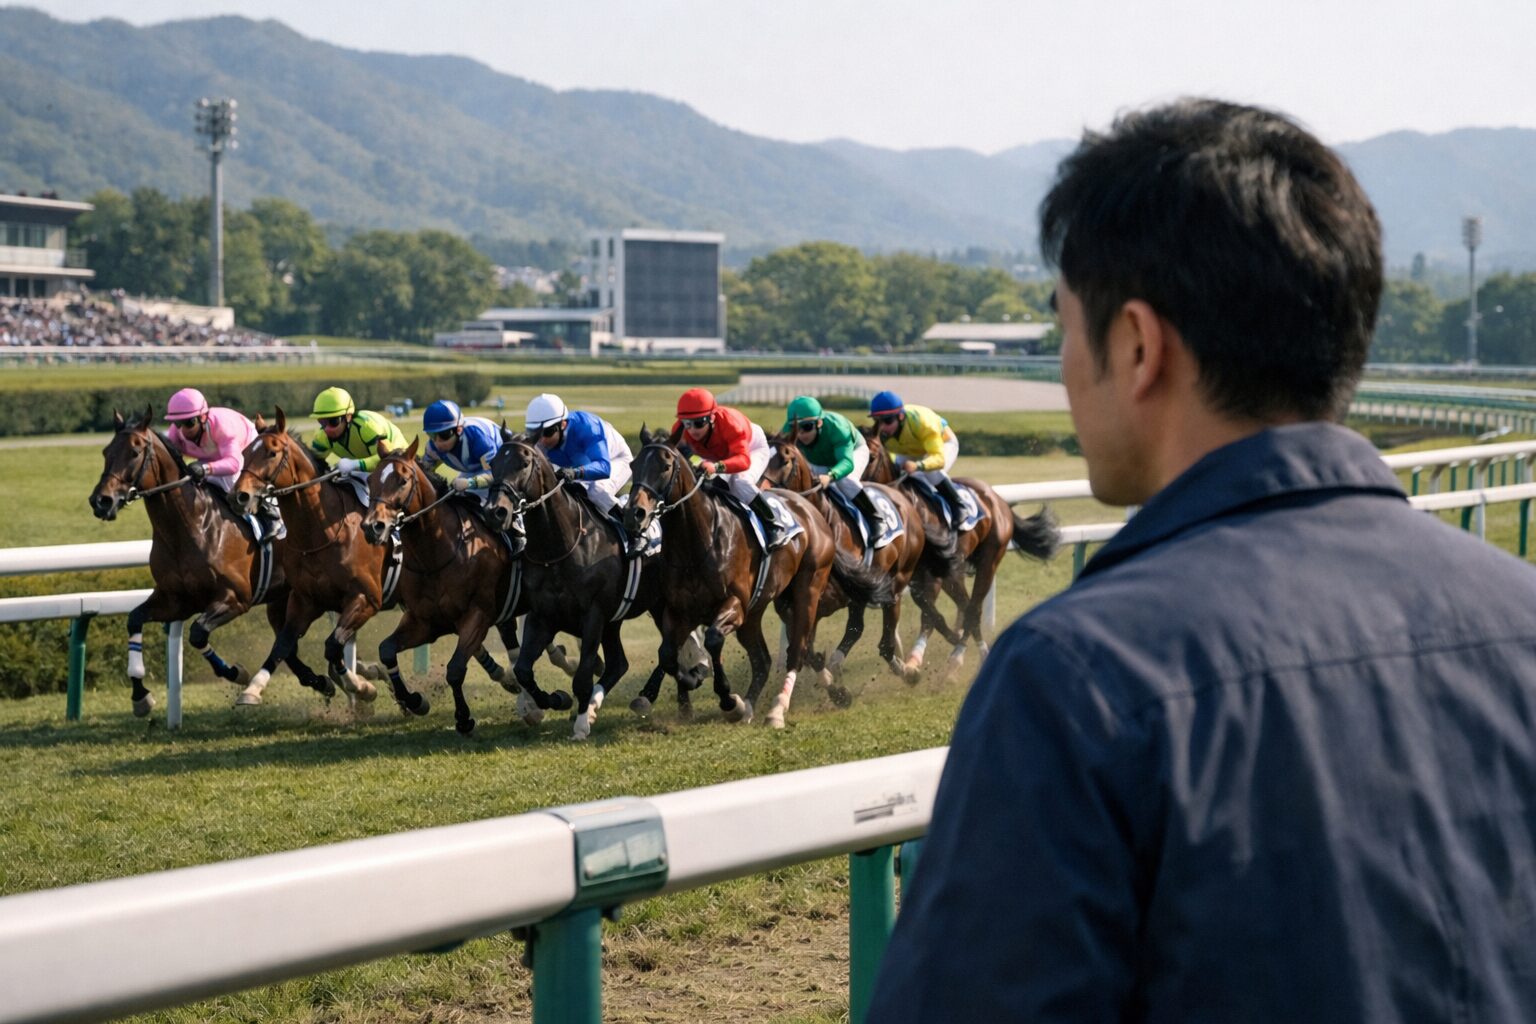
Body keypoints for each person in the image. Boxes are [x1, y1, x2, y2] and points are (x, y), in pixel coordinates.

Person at [869, 99, 1536, 1022]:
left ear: (1138, 345)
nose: (1067, 366)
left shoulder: (1075, 678)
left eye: (1067, 327)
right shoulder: (1524, 613)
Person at [671, 387, 786, 548]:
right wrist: (699, 462)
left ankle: (773, 524)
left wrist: (716, 467)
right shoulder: (680, 429)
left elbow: (743, 461)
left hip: (751, 449)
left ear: (711, 417)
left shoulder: (730, 423)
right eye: (687, 424)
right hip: (717, 455)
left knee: (740, 482)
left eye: (698, 423)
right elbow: (682, 452)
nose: (692, 430)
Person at [163, 387, 284, 540]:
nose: (183, 431)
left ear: (202, 417)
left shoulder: (223, 427)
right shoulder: (176, 433)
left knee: (232, 482)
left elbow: (233, 463)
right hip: (213, 456)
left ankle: (271, 515)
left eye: (189, 422)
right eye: (178, 423)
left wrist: (205, 468)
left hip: (245, 450)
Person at [780, 395, 885, 542]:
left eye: (807, 427)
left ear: (819, 423)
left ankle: (876, 518)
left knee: (845, 479)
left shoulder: (838, 427)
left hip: (853, 453)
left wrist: (830, 476)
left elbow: (847, 463)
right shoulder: (787, 431)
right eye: (796, 428)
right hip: (818, 460)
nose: (801, 434)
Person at [867, 390, 969, 529]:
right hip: (910, 450)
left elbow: (939, 459)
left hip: (943, 444)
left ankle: (959, 506)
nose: (883, 427)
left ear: (901, 416)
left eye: (888, 421)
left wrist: (918, 466)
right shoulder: (881, 432)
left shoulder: (924, 422)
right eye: (878, 421)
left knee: (930, 473)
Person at [525, 392, 633, 517]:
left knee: (597, 491)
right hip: (582, 466)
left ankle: (629, 525)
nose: (542, 440)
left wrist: (575, 473)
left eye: (548, 432)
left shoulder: (587, 427)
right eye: (535, 434)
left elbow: (604, 467)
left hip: (615, 460)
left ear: (563, 425)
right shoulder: (541, 442)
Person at [307, 386, 408, 502]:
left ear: (348, 417)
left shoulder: (367, 427)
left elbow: (385, 461)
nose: (327, 429)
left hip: (396, 459)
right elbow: (311, 465)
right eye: (322, 422)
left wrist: (355, 464)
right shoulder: (322, 437)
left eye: (334, 421)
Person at [420, 399, 502, 502]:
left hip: (503, 465)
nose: (438, 442)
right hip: (473, 470)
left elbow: (496, 475)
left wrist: (470, 483)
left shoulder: (478, 439)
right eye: (432, 435)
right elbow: (422, 473)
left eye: (444, 435)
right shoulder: (432, 448)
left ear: (459, 430)